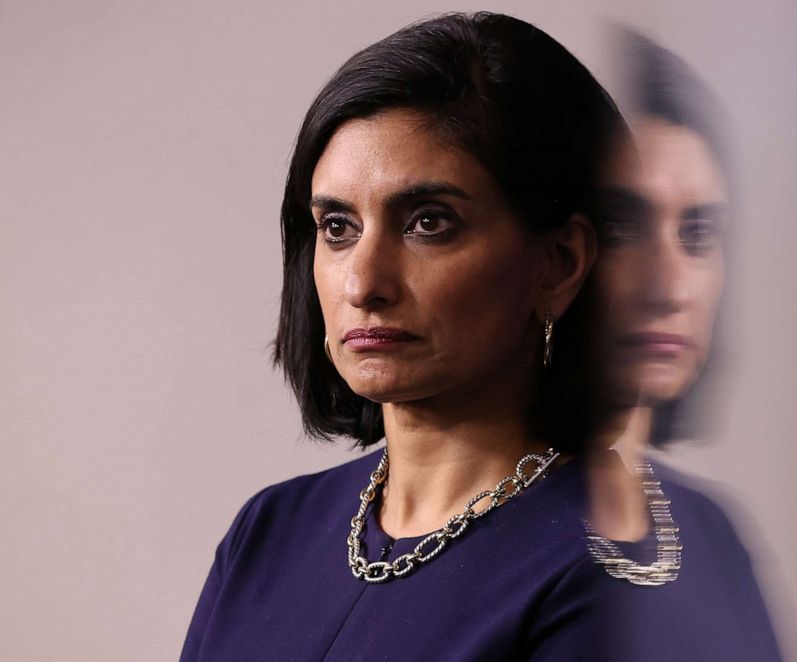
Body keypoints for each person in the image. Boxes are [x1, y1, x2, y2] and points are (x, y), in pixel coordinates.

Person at [180, 12, 624, 662]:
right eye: (337, 227)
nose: (364, 282)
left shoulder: (613, 573)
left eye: (427, 222)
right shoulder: (268, 533)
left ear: (557, 263)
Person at [584, 31, 784, 661]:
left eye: (696, 234)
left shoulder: (717, 537)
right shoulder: (461, 533)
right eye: (622, 226)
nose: (668, 286)